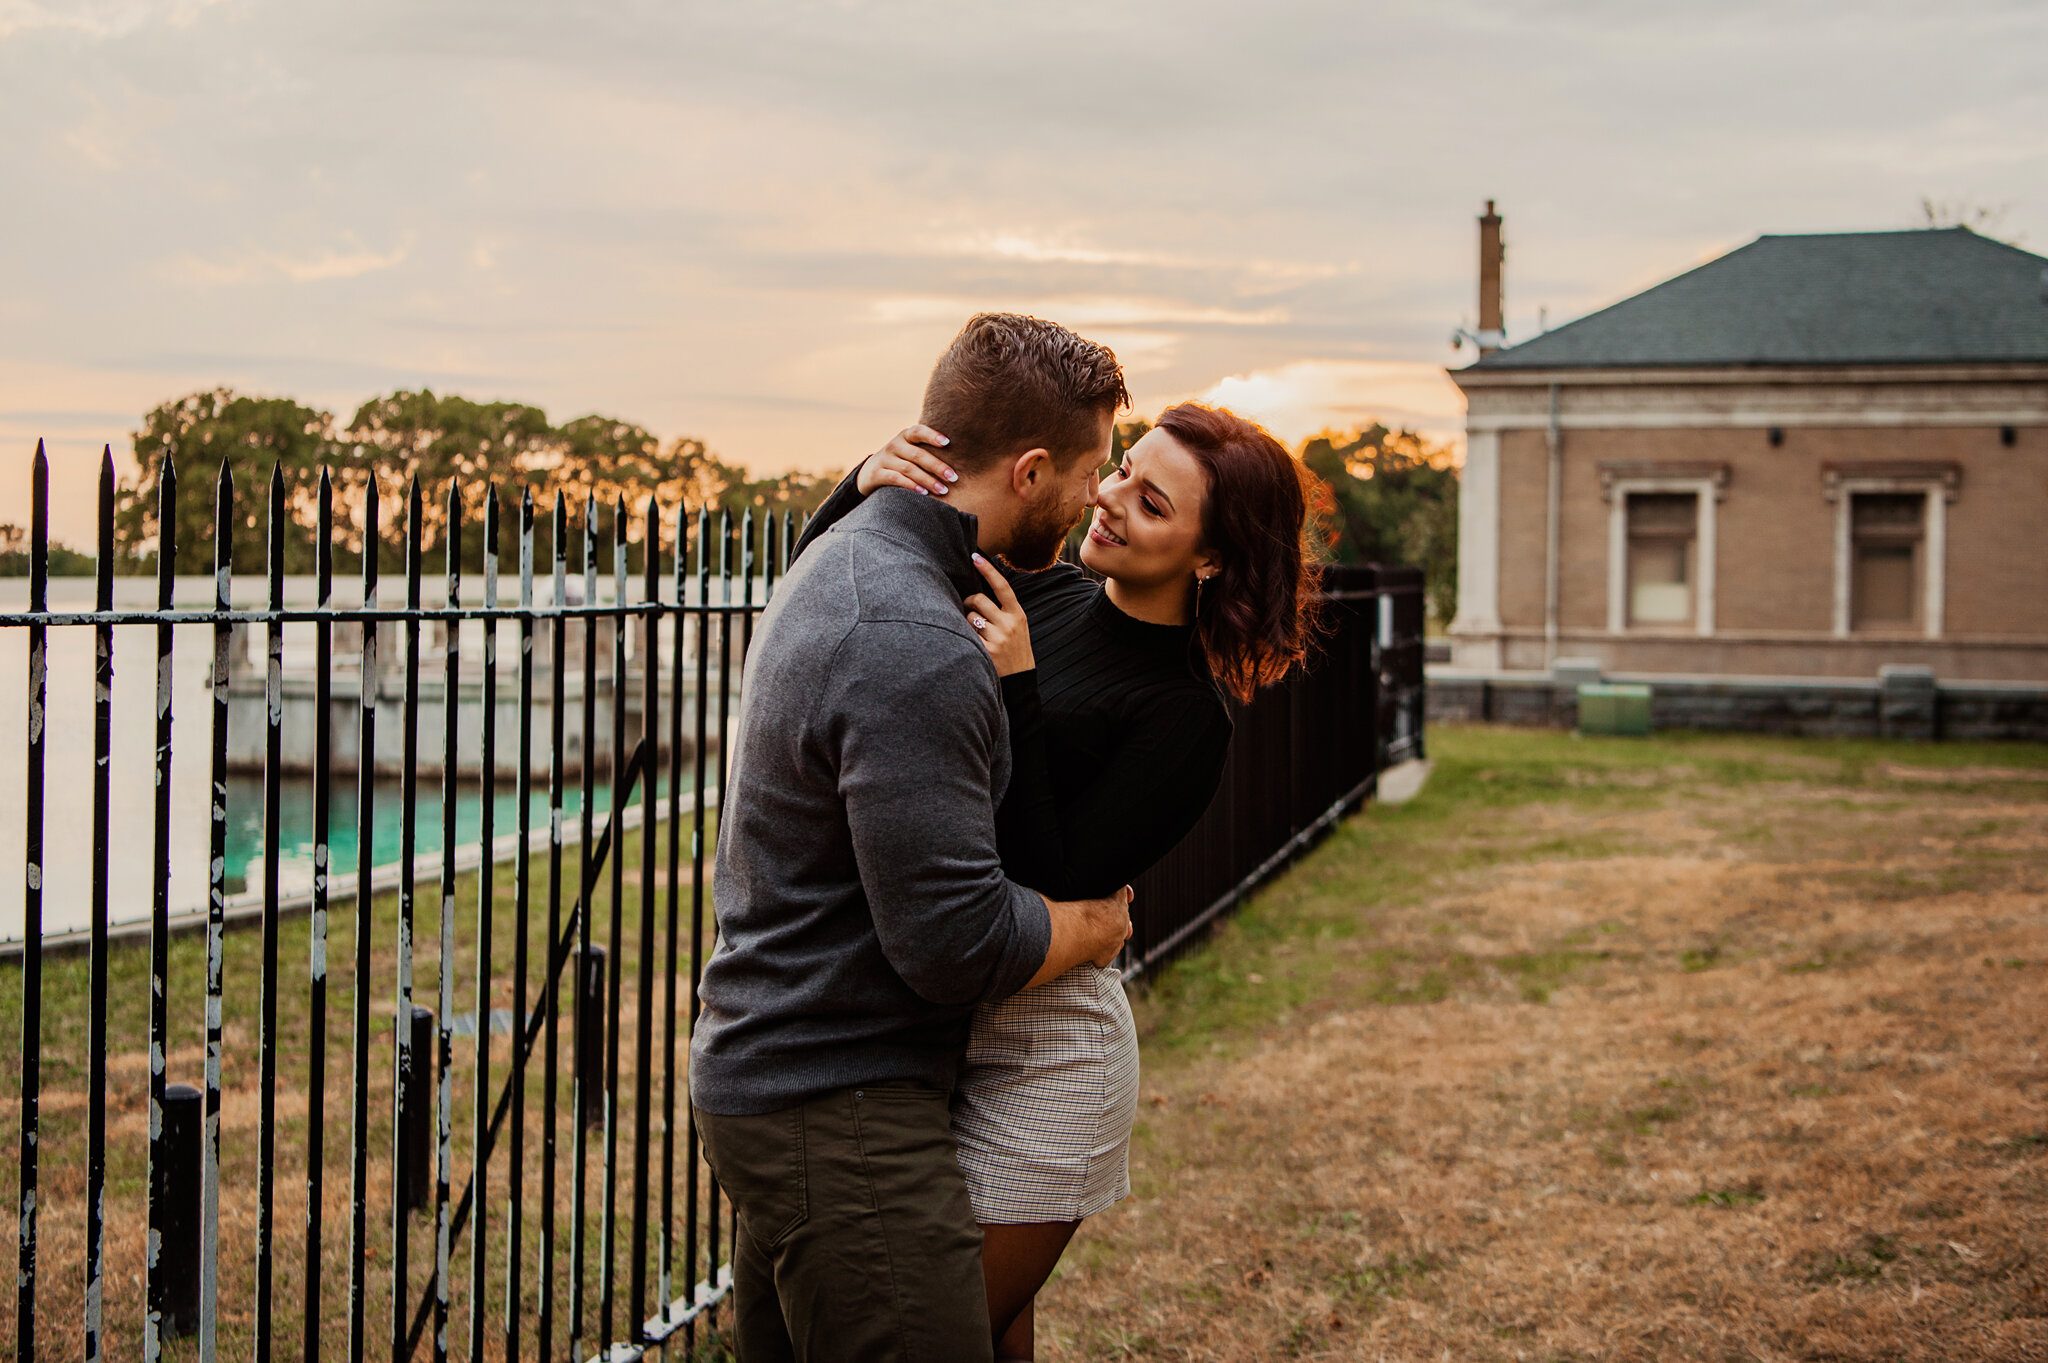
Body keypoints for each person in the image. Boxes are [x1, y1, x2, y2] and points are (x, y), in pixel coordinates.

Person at [792, 400, 1322, 1359]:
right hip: (946, 1025)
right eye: (1125, 471)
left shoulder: (1186, 716)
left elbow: (1045, 878)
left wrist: (1017, 686)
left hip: (1048, 1058)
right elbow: (838, 605)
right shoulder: (1045, 594)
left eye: (1152, 504)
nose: (1110, 499)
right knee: (987, 1330)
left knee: (937, 1332)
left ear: (1210, 559)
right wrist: (862, 484)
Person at [688, 312, 1141, 1363]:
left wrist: (855, 483)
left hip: (786, 1081)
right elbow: (948, 944)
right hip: (838, 1106)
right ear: (1029, 471)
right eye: (1090, 472)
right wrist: (1086, 926)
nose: (1094, 501)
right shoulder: (912, 637)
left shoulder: (849, 555)